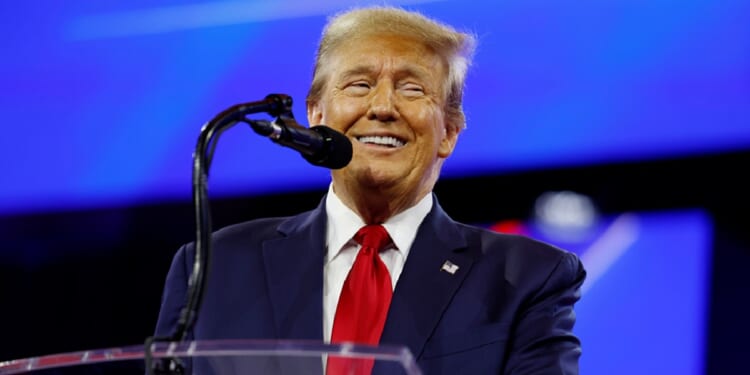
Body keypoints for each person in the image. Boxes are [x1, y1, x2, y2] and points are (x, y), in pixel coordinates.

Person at [154, 5, 586, 375]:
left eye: (412, 89)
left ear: (450, 132)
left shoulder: (525, 278)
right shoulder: (214, 267)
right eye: (359, 84)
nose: (381, 108)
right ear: (316, 114)